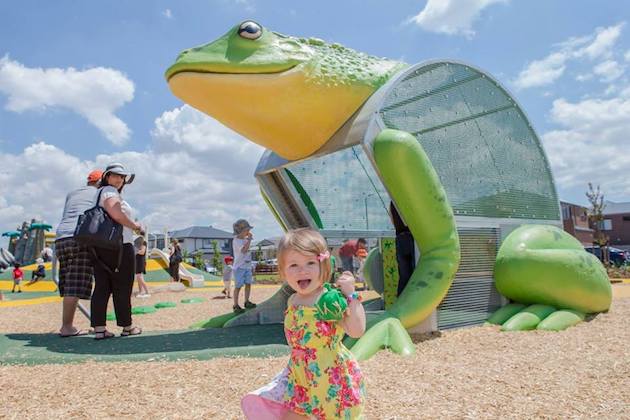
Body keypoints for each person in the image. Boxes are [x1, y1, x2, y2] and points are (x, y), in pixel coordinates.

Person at [242, 228, 366, 419]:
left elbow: (356, 331)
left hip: (329, 374)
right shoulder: (292, 300)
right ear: (283, 272)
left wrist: (351, 295)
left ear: (323, 266)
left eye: (310, 263)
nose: (302, 270)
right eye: (294, 265)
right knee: (294, 414)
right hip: (300, 374)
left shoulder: (328, 300)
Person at [90, 163, 144, 340]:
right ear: (107, 176)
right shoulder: (110, 192)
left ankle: (99, 328)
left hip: (101, 245)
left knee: (103, 286)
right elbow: (117, 214)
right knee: (123, 286)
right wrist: (135, 226)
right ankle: (127, 326)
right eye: (115, 175)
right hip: (119, 245)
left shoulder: (100, 192)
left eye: (122, 177)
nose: (119, 179)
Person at [55, 169, 102, 337]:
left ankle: (68, 325)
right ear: (99, 183)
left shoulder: (72, 193)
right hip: (79, 237)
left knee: (68, 282)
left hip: (61, 238)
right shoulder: (98, 193)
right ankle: (66, 327)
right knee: (74, 286)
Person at [390, 202, 416, 296]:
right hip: (410, 236)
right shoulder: (407, 199)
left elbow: (393, 220)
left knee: (404, 275)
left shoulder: (393, 202)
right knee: (414, 271)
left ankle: (401, 300)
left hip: (400, 237)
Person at [232, 219, 256, 313]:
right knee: (238, 286)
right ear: (241, 231)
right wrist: (249, 240)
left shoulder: (245, 240)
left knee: (248, 284)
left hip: (247, 266)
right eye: (247, 230)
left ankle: (246, 301)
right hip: (239, 267)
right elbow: (244, 250)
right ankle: (236, 305)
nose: (248, 232)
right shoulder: (236, 241)